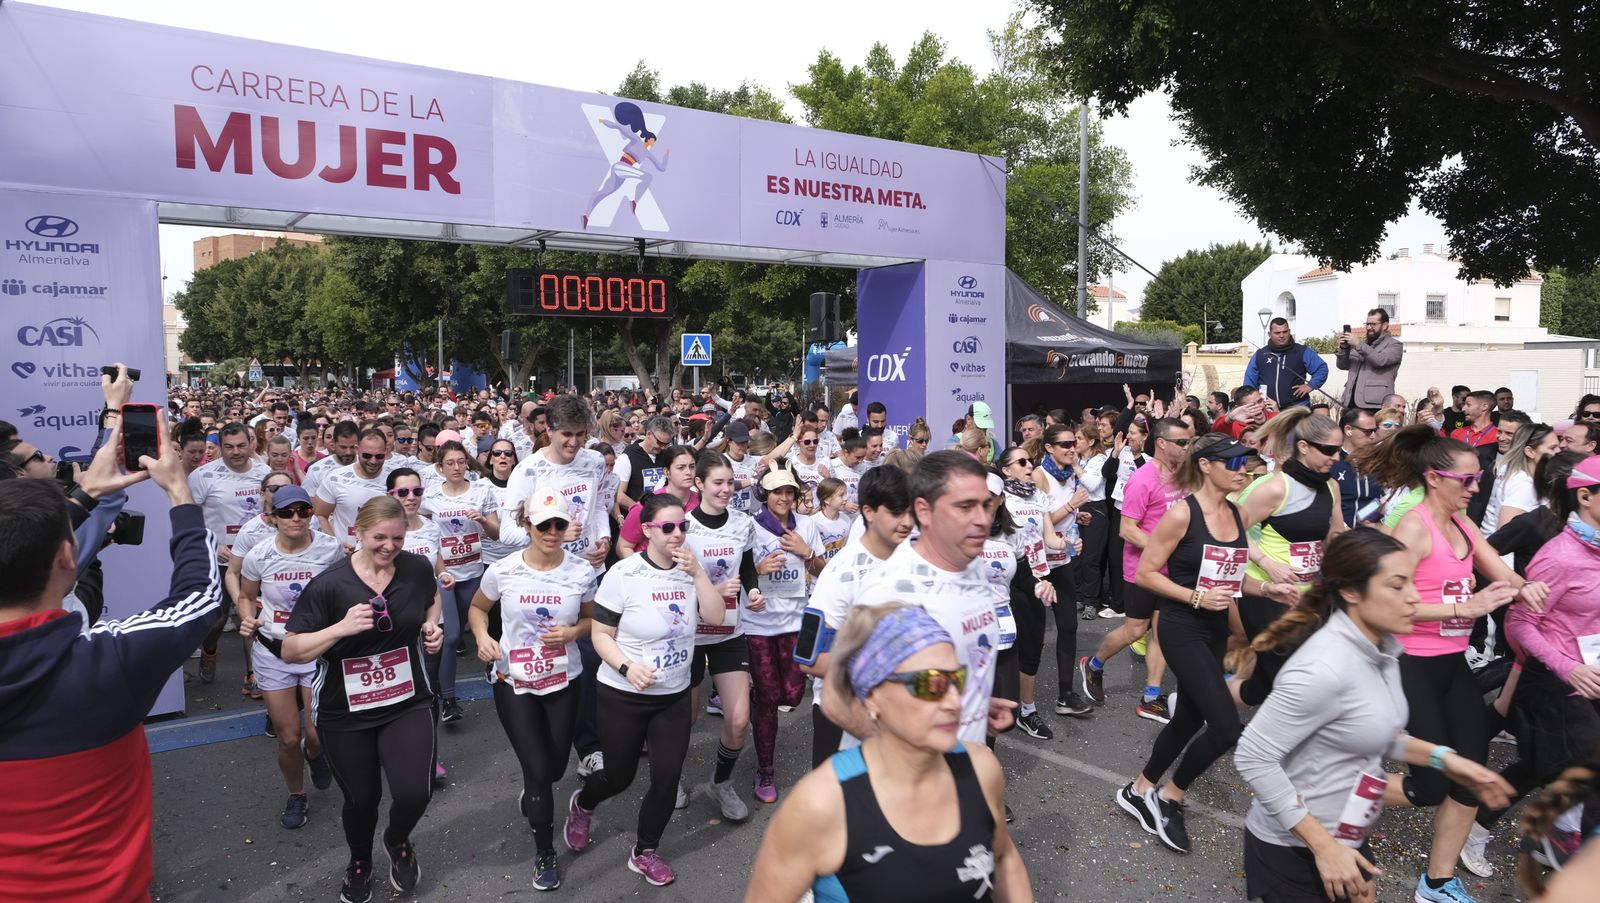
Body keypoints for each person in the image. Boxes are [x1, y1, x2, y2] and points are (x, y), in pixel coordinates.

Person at [0, 415, 224, 903]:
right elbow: (200, 595)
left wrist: (84, 499)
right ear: (67, 558)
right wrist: (179, 495)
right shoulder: (109, 660)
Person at [1233, 529, 1514, 903]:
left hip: (1346, 832)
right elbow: (1253, 757)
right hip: (1295, 848)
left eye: (1412, 582)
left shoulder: (1384, 649)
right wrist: (1324, 848)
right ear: (1352, 592)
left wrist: (1446, 760)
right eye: (1397, 586)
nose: (1413, 597)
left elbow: (1375, 729)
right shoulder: (1323, 668)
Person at [1364, 425, 1548, 902]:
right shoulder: (1413, 528)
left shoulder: (1463, 525)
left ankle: (1437, 883)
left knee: (1470, 774)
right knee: (1428, 785)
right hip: (1411, 664)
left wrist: (1526, 587)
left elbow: (1499, 569)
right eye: (1466, 480)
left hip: (1451, 664)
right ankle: (1329, 788)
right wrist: (1460, 609)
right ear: (1434, 478)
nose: (1476, 487)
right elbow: (1384, 603)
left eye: (1479, 479)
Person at [745, 604, 1033, 903]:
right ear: (872, 695)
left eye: (955, 680)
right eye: (930, 684)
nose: (953, 702)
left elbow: (1005, 861)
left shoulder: (982, 769)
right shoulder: (820, 805)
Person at [282, 495, 446, 902]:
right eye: (379, 538)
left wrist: (431, 626)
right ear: (356, 534)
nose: (389, 547)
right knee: (362, 798)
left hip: (407, 698)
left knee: (415, 790)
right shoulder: (330, 584)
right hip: (345, 710)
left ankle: (397, 840)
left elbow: (431, 599)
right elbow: (291, 650)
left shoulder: (416, 568)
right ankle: (360, 860)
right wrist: (340, 628)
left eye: (397, 539)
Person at [562, 492, 726, 887]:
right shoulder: (624, 574)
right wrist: (626, 666)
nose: (677, 534)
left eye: (683, 527)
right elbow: (600, 635)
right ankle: (583, 804)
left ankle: (645, 851)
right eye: (668, 527)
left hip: (673, 693)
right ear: (648, 530)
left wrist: (700, 575)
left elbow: (717, 617)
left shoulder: (692, 567)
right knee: (618, 776)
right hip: (623, 693)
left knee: (667, 779)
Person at [1116, 434, 1254, 854]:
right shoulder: (1181, 514)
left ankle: (1139, 790)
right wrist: (1194, 596)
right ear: (1208, 466)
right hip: (1180, 625)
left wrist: (1271, 590)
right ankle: (1170, 795)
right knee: (1228, 726)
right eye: (1233, 463)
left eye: (1245, 462)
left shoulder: (1235, 513)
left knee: (1190, 718)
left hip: (1214, 628)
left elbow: (1233, 574)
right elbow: (1147, 574)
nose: (1242, 470)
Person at [827, 451, 1016, 747]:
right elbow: (835, 698)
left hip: (965, 767)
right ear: (924, 512)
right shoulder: (890, 591)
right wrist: (915, 763)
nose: (983, 519)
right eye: (965, 507)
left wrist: (975, 705)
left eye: (986, 505)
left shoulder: (974, 568)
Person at [470, 491, 597, 892]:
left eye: (559, 524)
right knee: (539, 772)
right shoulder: (503, 570)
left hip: (563, 677)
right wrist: (481, 638)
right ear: (528, 525)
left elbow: (593, 620)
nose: (552, 532)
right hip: (514, 681)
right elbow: (477, 609)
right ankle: (545, 851)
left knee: (557, 765)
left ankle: (539, 788)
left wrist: (574, 631)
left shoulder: (580, 571)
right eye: (544, 524)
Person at [237, 485, 344, 828]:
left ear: (312, 514)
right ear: (273, 518)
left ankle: (315, 754)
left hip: (315, 649)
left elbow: (342, 590)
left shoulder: (330, 549)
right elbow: (246, 595)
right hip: (273, 650)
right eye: (287, 512)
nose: (296, 518)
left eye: (303, 511)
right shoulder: (259, 554)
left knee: (314, 734)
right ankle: (296, 794)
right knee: (287, 737)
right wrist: (247, 617)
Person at [1081, 419, 1195, 722]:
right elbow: (1128, 530)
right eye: (1182, 443)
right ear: (1161, 443)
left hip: (1171, 572)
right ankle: (1093, 664)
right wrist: (1164, 549)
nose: (1188, 448)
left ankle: (1151, 696)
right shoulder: (1142, 480)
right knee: (1135, 630)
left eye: (1190, 442)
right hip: (1142, 570)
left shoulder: (1182, 476)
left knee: (1162, 631)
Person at [803, 465, 917, 764]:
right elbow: (810, 659)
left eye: (910, 511)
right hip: (845, 714)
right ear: (868, 511)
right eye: (896, 512)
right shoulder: (840, 572)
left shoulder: (920, 562)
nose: (907, 522)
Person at [1233, 409, 1345, 705]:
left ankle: (1196, 705)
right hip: (1265, 594)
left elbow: (1334, 535)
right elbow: (1227, 530)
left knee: (1264, 685)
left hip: (1309, 594)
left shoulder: (1330, 486)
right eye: (1329, 450)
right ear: (1304, 447)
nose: (1336, 457)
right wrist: (1266, 563)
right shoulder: (1273, 487)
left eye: (1339, 450)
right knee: (1294, 682)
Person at [682, 452, 763, 820]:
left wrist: (754, 592)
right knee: (686, 717)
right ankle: (673, 780)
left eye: (730, 482)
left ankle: (721, 783)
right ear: (698, 484)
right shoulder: (681, 526)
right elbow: (670, 580)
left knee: (738, 718)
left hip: (730, 630)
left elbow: (747, 570)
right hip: (690, 634)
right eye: (718, 482)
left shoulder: (743, 523)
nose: (726, 489)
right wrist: (712, 588)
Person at [745, 463, 825, 802]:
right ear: (766, 494)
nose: (784, 497)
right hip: (759, 624)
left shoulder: (806, 525)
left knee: (791, 695)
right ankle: (765, 769)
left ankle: (756, 700)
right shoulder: (751, 527)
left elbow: (824, 569)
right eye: (777, 491)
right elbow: (737, 570)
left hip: (796, 621)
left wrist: (806, 554)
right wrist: (758, 569)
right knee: (768, 698)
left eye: (789, 491)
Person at [421, 440, 501, 724]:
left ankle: (497, 673)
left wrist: (482, 521)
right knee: (452, 636)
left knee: (485, 627)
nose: (456, 467)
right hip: (443, 577)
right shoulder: (428, 496)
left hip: (474, 571)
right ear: (440, 467)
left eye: (460, 461)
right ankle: (449, 699)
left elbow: (495, 534)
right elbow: (420, 531)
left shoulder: (482, 489)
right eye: (450, 463)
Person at [188, 421, 271, 684]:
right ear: (220, 448)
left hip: (258, 558)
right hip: (220, 559)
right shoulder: (203, 476)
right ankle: (210, 649)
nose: (236, 452)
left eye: (241, 446)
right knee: (216, 619)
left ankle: (253, 675)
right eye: (229, 447)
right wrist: (213, 543)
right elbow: (188, 517)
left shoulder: (264, 472)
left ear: (250, 444)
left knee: (255, 618)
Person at [995, 448, 1068, 740]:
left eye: (1030, 461)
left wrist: (1067, 544)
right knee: (1002, 648)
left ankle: (1028, 710)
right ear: (1006, 470)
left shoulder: (1037, 496)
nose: (1029, 466)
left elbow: (1048, 537)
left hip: (1035, 575)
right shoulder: (1001, 499)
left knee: (1032, 647)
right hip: (1005, 579)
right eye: (1022, 462)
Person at [1032, 424, 1094, 715]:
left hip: (1064, 561)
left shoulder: (1070, 474)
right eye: (1065, 445)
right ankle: (1023, 704)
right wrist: (1071, 506)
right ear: (1049, 448)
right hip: (1038, 565)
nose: (1072, 448)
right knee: (1031, 634)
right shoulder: (1039, 476)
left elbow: (1063, 516)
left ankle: (1066, 695)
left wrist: (1077, 516)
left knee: (1069, 626)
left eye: (1073, 443)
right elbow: (1039, 523)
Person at [314, 429, 395, 548]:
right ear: (357, 450)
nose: (373, 461)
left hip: (384, 552)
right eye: (367, 455)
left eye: (379, 456)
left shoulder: (395, 479)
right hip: (346, 555)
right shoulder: (335, 478)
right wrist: (336, 545)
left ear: (386, 451)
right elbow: (320, 515)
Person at [1244, 318, 1330, 409]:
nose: (1282, 335)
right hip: (1268, 409)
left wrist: (1310, 385)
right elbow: (1249, 381)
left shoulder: (1302, 351)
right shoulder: (1260, 354)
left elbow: (1321, 369)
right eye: (1277, 333)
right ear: (1269, 334)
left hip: (1298, 408)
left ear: (1289, 332)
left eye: (1285, 332)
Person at [1073, 425, 1112, 621]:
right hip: (1077, 508)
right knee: (1077, 556)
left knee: (1091, 558)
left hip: (1095, 509)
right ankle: (1079, 596)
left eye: (1079, 439)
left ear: (1090, 441)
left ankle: (1091, 601)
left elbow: (1093, 485)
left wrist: (1076, 467)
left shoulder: (1099, 460)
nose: (1075, 443)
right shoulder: (1078, 459)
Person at [1337, 308, 1404, 411]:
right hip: (1350, 403)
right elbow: (1343, 365)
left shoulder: (1394, 345)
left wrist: (1359, 344)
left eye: (1373, 324)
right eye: (1367, 324)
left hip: (1375, 405)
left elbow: (1380, 361)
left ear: (1385, 325)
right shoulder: (1363, 345)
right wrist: (1344, 348)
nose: (1369, 327)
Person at [1331, 408, 1384, 527]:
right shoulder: (1332, 462)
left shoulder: (1379, 463)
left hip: (1372, 536)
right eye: (1368, 432)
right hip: (1340, 537)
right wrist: (1342, 529)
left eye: (1375, 431)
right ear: (1348, 430)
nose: (1373, 436)